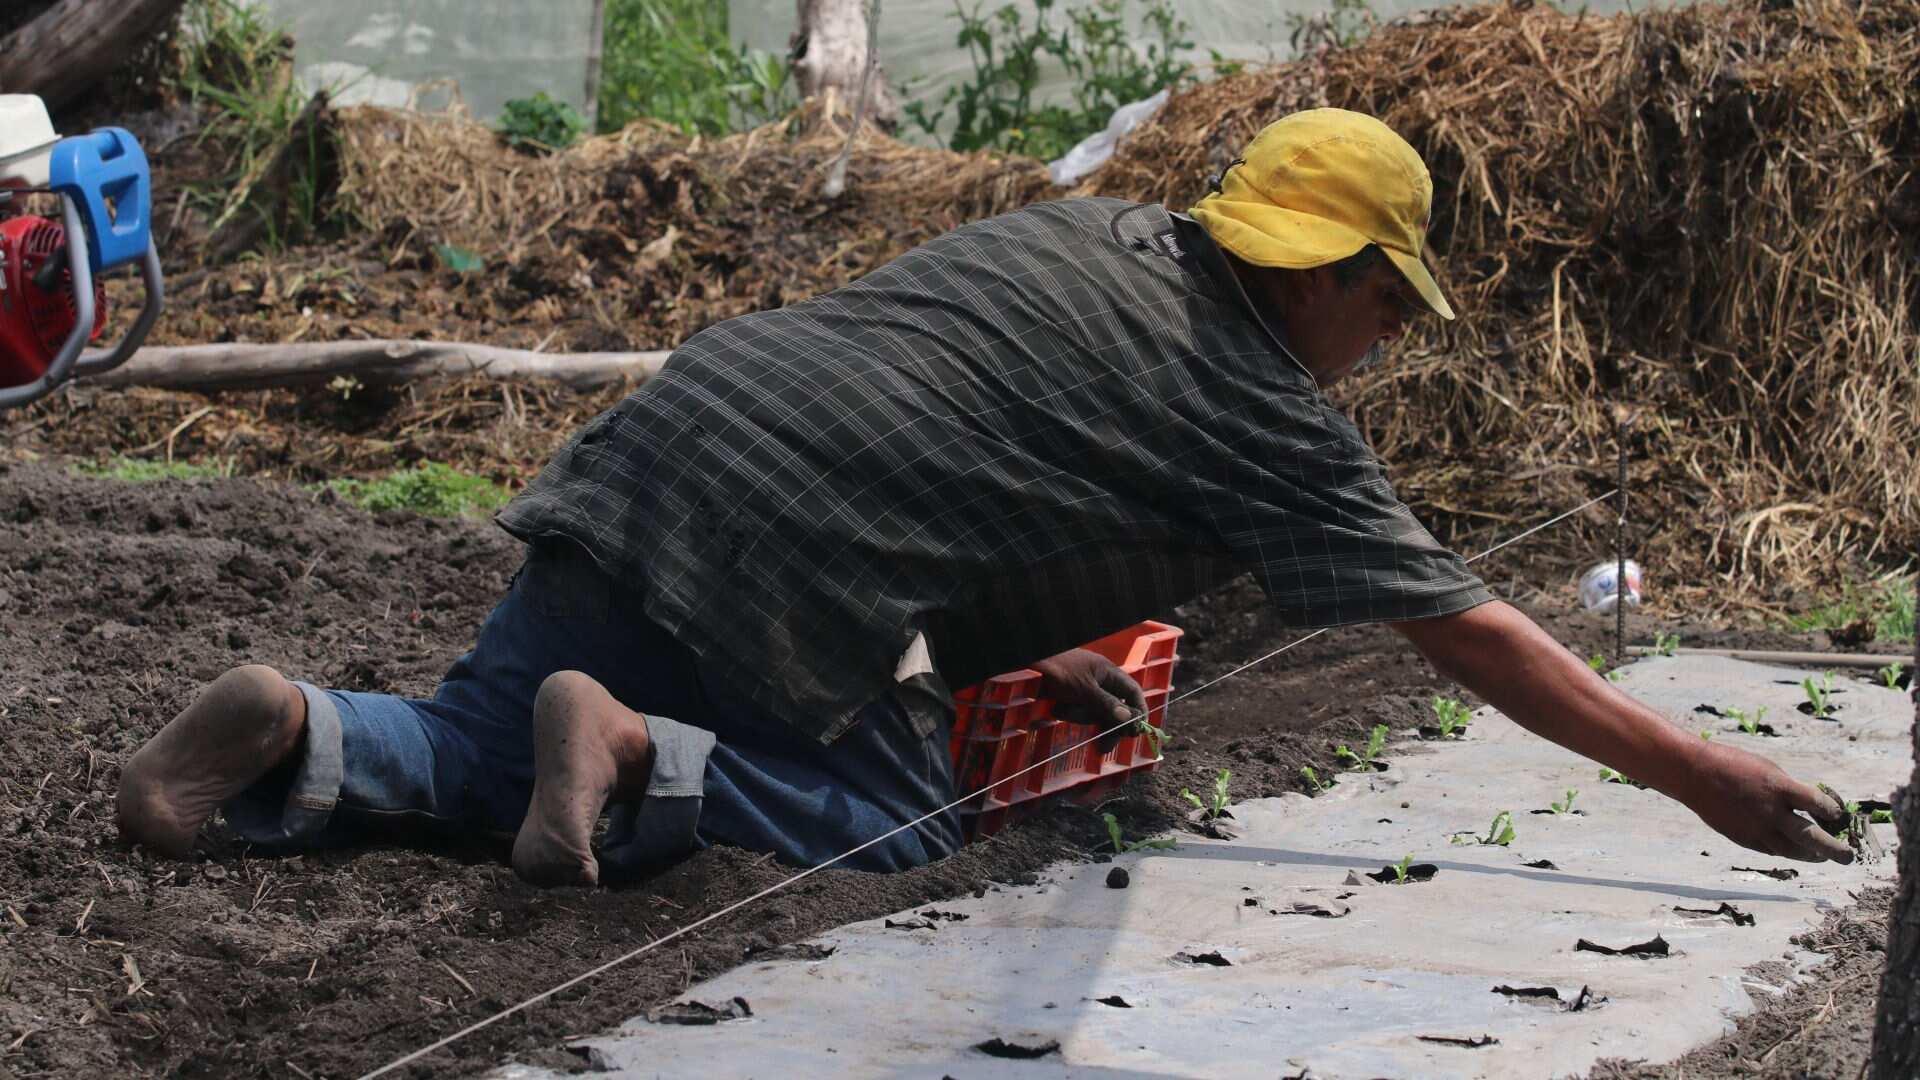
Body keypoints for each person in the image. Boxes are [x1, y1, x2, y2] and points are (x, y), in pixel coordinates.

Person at [116, 109, 1853, 886]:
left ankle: (296, 731)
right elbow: (1462, 627)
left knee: (477, 748)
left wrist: (1022, 666)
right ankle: (644, 752)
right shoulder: (1256, 392)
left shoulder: (1081, 237)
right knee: (903, 824)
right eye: (1390, 297)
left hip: (666, 448)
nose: (1390, 337)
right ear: (1320, 268)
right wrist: (1699, 772)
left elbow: (968, 454)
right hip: (791, 556)